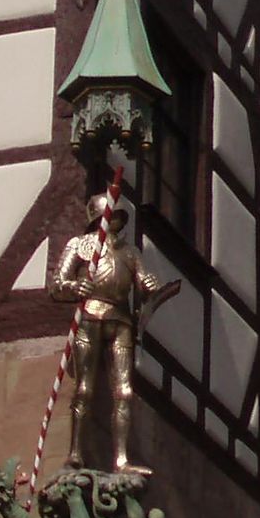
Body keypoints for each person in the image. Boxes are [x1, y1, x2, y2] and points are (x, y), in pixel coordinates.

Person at [49, 190, 181, 474]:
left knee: (124, 391)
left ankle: (121, 459)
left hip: (120, 319)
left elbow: (143, 280)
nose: (116, 220)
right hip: (90, 315)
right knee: (84, 388)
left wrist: (149, 284)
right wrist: (74, 287)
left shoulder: (130, 253)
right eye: (112, 215)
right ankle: (75, 452)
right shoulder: (80, 245)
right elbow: (57, 284)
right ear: (98, 217)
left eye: (119, 216)